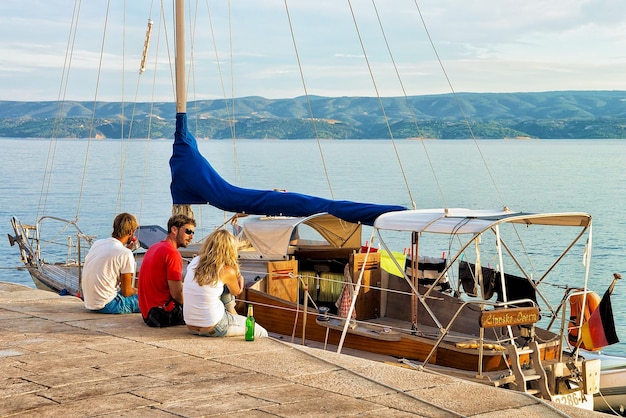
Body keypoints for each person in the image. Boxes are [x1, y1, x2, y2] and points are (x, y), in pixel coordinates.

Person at [183, 229, 268, 338]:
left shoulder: (195, 261)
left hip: (191, 326)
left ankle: (233, 315)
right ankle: (233, 315)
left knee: (222, 287)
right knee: (262, 333)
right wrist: (239, 276)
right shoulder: (226, 270)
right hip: (215, 326)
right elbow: (237, 291)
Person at [138, 214, 196, 327]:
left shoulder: (153, 248)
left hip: (148, 313)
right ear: (174, 229)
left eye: (193, 233)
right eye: (188, 231)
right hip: (163, 313)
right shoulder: (172, 253)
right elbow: (177, 295)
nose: (191, 236)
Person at [82, 212, 140, 314]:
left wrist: (126, 250)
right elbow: (126, 292)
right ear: (131, 232)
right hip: (107, 304)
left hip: (90, 302)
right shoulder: (125, 253)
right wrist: (138, 291)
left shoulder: (98, 243)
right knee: (149, 300)